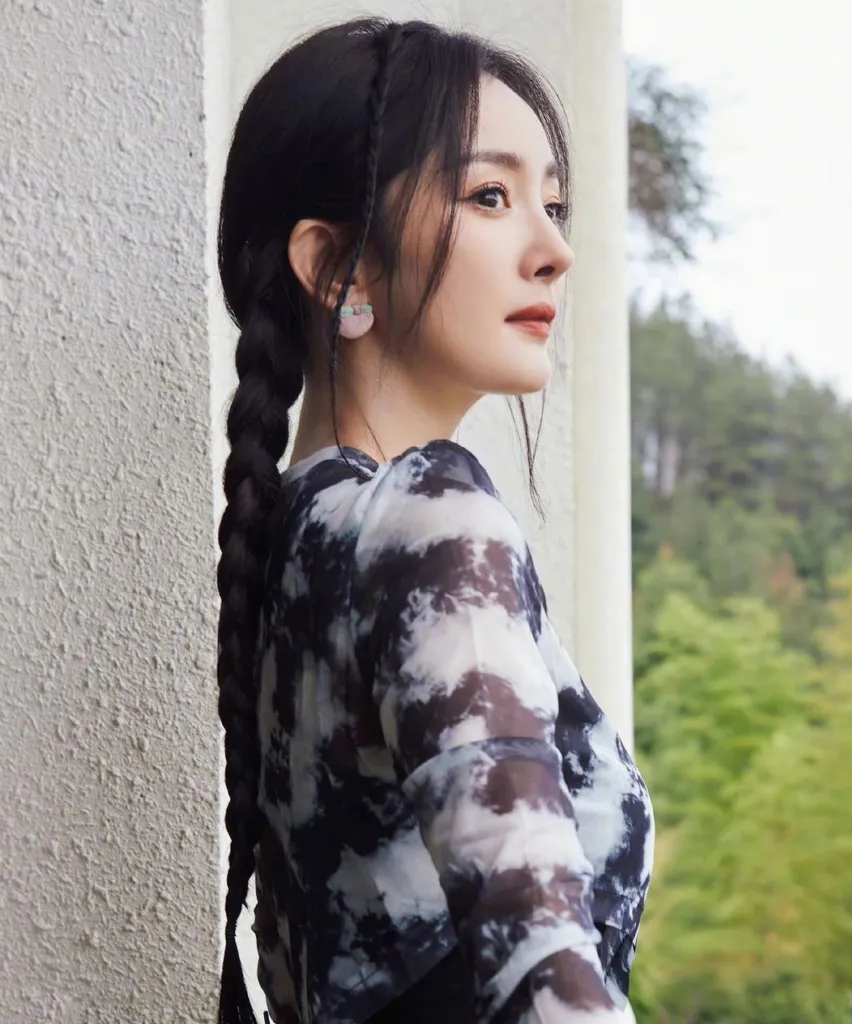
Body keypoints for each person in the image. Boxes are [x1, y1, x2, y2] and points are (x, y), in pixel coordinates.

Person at [214, 17, 655, 1024]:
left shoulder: (291, 539)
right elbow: (543, 974)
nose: (554, 251)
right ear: (338, 266)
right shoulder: (429, 518)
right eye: (490, 196)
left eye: (553, 204)